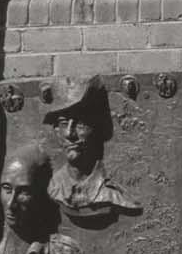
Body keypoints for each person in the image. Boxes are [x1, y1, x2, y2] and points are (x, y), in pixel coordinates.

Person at [42, 78, 141, 218]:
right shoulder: (52, 187)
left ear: (99, 128)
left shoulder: (114, 195)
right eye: (63, 123)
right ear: (56, 131)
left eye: (81, 124)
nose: (69, 133)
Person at [0, 144, 81, 254]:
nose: (11, 204)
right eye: (7, 189)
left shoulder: (63, 250)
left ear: (43, 194)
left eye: (24, 192)